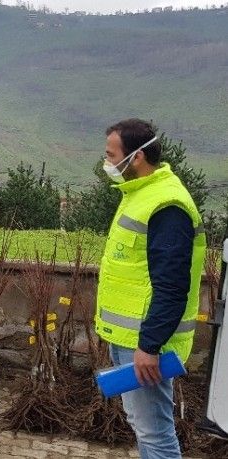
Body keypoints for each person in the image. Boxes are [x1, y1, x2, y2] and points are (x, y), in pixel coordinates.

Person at [96, 119, 205, 459]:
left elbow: (172, 286)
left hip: (144, 344)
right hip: (130, 339)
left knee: (155, 433)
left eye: (111, 155)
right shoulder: (140, 195)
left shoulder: (166, 205)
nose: (107, 163)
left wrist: (150, 345)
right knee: (143, 425)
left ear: (137, 157)